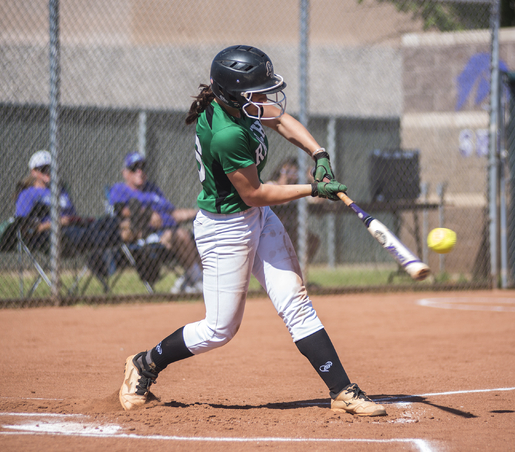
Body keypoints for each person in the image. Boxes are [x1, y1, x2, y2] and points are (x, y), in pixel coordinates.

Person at [118, 45, 386, 417]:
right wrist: (313, 189)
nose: (263, 98)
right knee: (219, 329)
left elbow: (280, 119)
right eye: (255, 92)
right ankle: (144, 364)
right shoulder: (226, 133)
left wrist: (319, 154)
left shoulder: (238, 105)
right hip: (225, 230)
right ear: (232, 94)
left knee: (295, 301)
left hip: (256, 218)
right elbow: (255, 192)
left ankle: (342, 390)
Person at [109, 153, 203, 293]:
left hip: (169, 231)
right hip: (146, 237)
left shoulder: (152, 190)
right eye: (134, 168)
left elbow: (173, 213)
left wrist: (201, 213)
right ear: (125, 173)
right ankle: (198, 281)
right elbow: (121, 211)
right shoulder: (120, 189)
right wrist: (147, 214)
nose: (140, 171)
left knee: (200, 235)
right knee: (181, 235)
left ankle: (188, 280)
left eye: (142, 167)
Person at [14, 150, 119, 256]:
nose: (47, 172)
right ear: (33, 172)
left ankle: (122, 239)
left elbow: (71, 215)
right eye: (42, 169)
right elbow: (24, 226)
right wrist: (58, 222)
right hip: (52, 236)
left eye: (50, 168)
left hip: (73, 228)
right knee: (93, 235)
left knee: (108, 222)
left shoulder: (61, 189)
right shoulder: (27, 194)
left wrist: (77, 220)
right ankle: (112, 251)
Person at [266, 158, 321, 264]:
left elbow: (317, 201)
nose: (291, 176)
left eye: (295, 172)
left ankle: (299, 268)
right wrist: (285, 177)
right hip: (270, 231)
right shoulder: (271, 185)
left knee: (312, 239)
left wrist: (314, 179)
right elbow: (282, 201)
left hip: (291, 231)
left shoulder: (297, 190)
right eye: (288, 171)